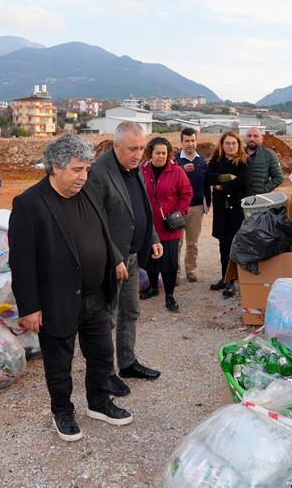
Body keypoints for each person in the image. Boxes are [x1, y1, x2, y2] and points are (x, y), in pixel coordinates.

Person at [8, 134, 133, 443]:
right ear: (55, 167)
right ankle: (62, 412)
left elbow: (102, 232)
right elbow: (21, 262)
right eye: (77, 169)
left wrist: (115, 259)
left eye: (87, 169)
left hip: (95, 295)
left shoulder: (87, 191)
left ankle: (99, 402)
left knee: (102, 354)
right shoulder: (29, 204)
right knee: (59, 365)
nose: (84, 176)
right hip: (55, 301)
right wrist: (30, 307)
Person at [88, 121, 163, 394]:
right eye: (133, 148)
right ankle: (105, 374)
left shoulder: (136, 169)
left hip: (132, 257)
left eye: (142, 148)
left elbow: (142, 207)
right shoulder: (99, 173)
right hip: (111, 261)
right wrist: (115, 257)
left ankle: (127, 362)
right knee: (107, 317)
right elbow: (97, 222)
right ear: (116, 145)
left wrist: (152, 238)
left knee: (131, 311)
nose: (138, 154)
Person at [140, 137, 193, 311]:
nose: (161, 156)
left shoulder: (176, 171)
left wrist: (179, 211)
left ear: (168, 153)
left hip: (169, 226)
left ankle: (169, 296)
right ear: (150, 153)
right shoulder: (142, 171)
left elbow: (187, 193)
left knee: (169, 263)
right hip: (149, 226)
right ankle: (153, 287)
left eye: (164, 153)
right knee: (150, 260)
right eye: (157, 153)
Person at [205, 130, 252, 298]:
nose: (230, 146)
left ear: (238, 144)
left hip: (237, 211)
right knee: (223, 244)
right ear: (222, 145)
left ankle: (233, 280)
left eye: (233, 143)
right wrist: (227, 177)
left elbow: (243, 182)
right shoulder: (217, 160)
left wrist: (221, 186)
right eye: (227, 143)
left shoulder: (244, 161)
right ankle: (225, 277)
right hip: (221, 210)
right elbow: (208, 178)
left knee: (235, 244)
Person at [175, 128, 210, 283]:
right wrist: (181, 170)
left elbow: (207, 183)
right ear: (181, 142)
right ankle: (174, 273)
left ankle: (191, 270)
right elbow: (167, 178)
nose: (190, 144)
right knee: (176, 242)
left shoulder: (202, 161)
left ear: (196, 141)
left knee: (192, 243)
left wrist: (207, 204)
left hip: (196, 208)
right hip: (177, 208)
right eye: (187, 140)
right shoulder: (174, 161)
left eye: (192, 140)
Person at [244, 126, 283, 195]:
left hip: (259, 199)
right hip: (240, 198)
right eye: (249, 136)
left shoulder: (269, 154)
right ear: (245, 138)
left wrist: (264, 189)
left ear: (261, 139)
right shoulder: (238, 154)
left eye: (255, 136)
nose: (252, 138)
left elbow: (278, 178)